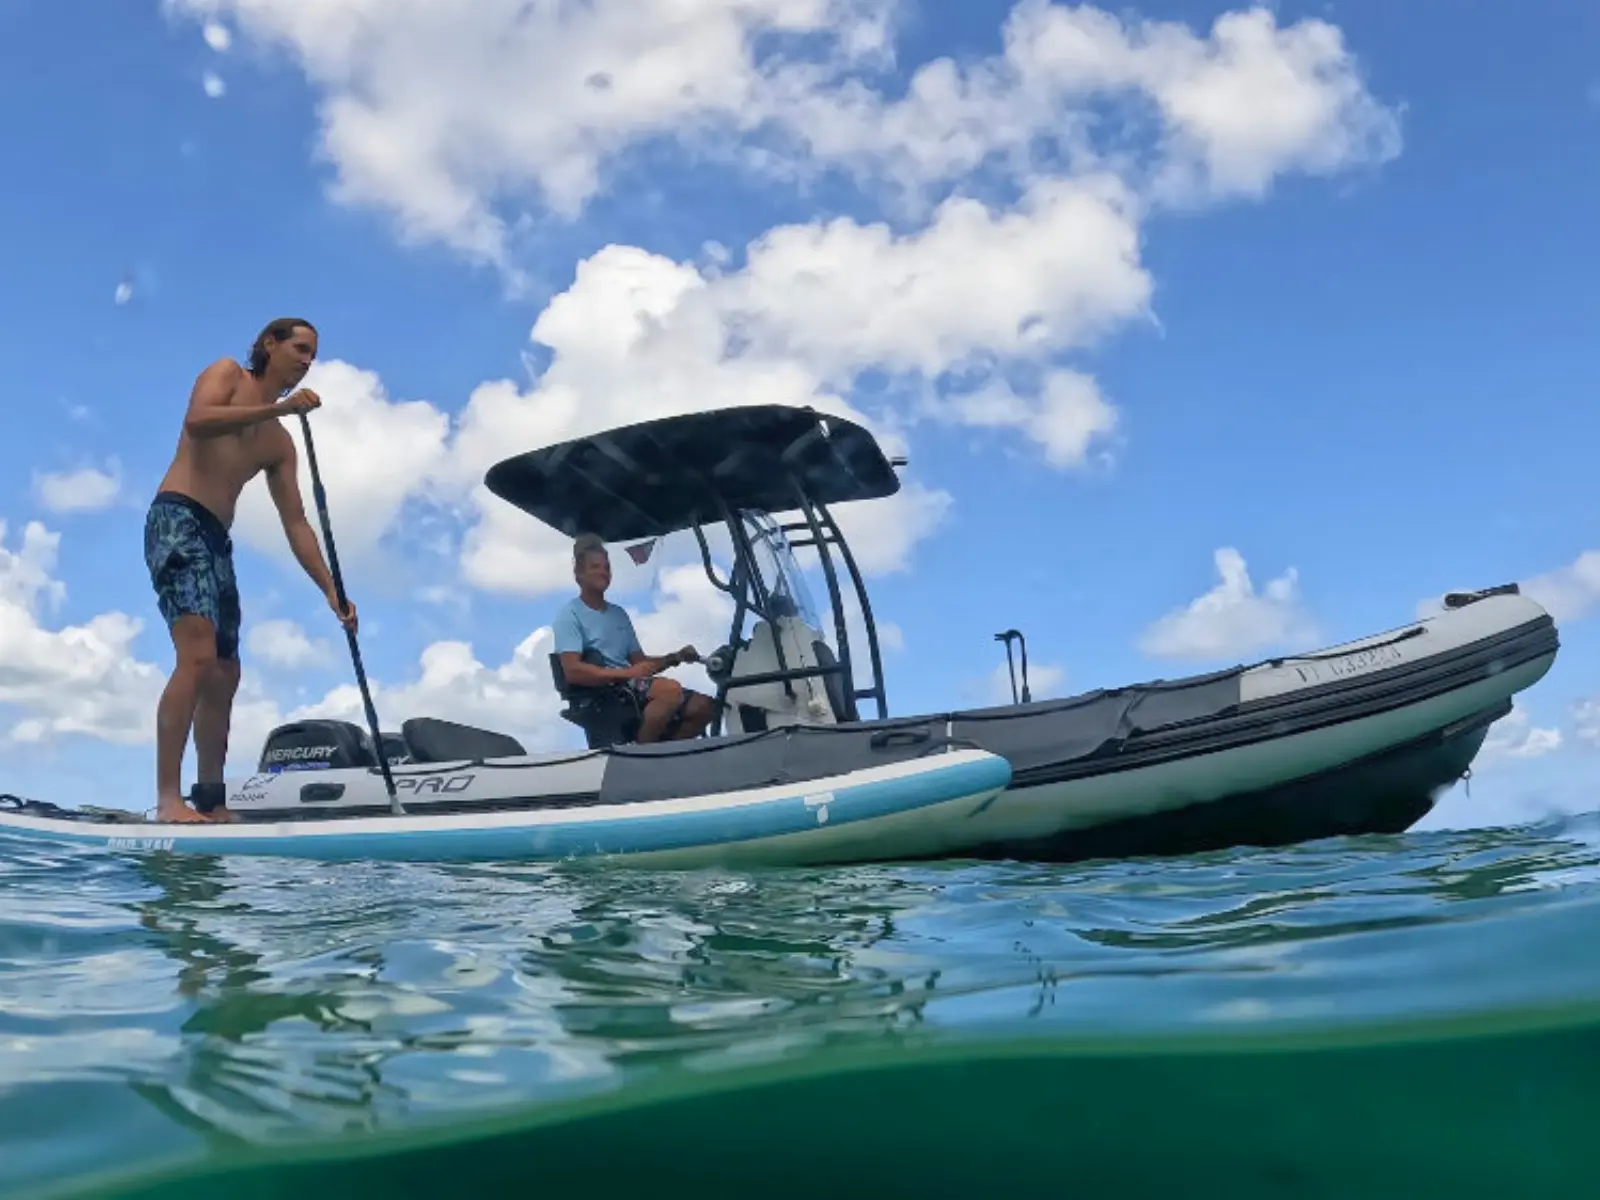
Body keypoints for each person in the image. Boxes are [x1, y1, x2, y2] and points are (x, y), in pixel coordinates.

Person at [144, 317, 358, 823]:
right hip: (177, 517)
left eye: (313, 356)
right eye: (300, 349)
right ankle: (168, 799)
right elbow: (199, 420)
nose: (307, 362)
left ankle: (211, 800)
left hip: (218, 539)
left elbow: (296, 522)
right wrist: (279, 407)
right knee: (195, 656)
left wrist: (332, 591)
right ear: (270, 343)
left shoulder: (278, 442)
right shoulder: (227, 376)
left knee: (226, 672)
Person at [553, 534, 715, 743]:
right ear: (579, 574)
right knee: (670, 691)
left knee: (704, 707)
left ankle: (666, 754)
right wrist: (628, 672)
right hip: (609, 693)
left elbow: (641, 664)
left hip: (633, 685)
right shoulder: (570, 615)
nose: (603, 572)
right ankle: (641, 753)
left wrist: (675, 657)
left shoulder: (618, 614)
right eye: (595, 567)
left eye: (606, 567)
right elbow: (573, 671)